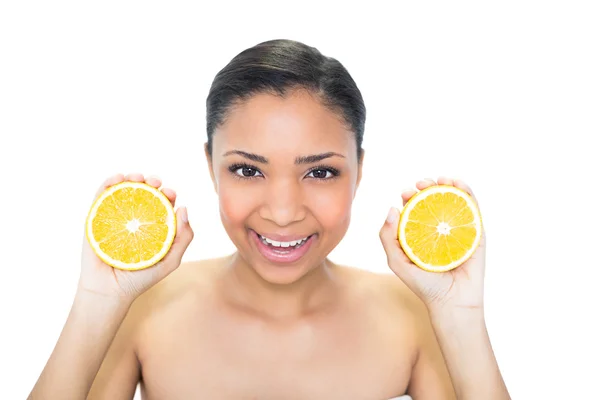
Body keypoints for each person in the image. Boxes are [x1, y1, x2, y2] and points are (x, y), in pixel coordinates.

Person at [28, 39, 510, 400]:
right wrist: (95, 304)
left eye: (320, 171)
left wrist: (461, 321)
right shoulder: (144, 310)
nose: (282, 211)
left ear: (359, 171)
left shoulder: (411, 317)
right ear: (211, 167)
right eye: (247, 169)